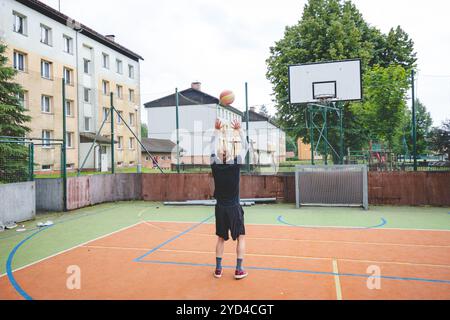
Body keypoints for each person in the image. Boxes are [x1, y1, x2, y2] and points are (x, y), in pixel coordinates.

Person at [210, 118, 249, 280]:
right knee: (240, 237)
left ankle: (218, 269)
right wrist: (239, 130)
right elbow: (246, 146)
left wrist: (217, 131)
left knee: (221, 238)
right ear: (230, 154)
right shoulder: (236, 164)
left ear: (219, 155)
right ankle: (239, 270)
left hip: (220, 208)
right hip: (234, 207)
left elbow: (212, 146)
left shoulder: (215, 166)